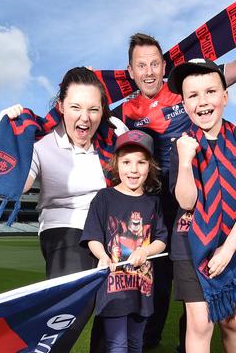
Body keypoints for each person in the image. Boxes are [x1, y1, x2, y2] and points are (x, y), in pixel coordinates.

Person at [111, 31, 236, 350]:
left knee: (226, 318)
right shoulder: (123, 113)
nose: (150, 71)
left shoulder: (192, 83)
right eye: (142, 65)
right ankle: (149, 344)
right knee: (155, 285)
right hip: (165, 203)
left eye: (155, 63)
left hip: (213, 208)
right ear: (130, 71)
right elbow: (81, 117)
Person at [0, 67, 127, 352]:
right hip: (66, 226)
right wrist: (10, 137)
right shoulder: (40, 142)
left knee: (115, 305)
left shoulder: (115, 133)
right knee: (73, 303)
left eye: (94, 109)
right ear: (60, 107)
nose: (85, 117)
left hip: (113, 227)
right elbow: (15, 186)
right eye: (75, 107)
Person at [166, 58, 236, 353]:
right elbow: (187, 202)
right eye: (192, 95)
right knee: (200, 324)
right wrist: (186, 161)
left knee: (232, 322)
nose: (202, 102)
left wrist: (228, 249)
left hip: (233, 244)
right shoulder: (182, 146)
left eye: (210, 92)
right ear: (184, 104)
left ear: (225, 96)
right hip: (190, 243)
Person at [80, 130, 168, 353]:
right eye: (127, 161)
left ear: (150, 166)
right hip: (113, 288)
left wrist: (145, 251)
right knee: (117, 345)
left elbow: (161, 241)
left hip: (142, 288)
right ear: (116, 163)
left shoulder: (153, 202)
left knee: (136, 343)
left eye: (141, 162)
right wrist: (102, 256)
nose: (134, 169)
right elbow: (93, 236)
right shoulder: (104, 197)